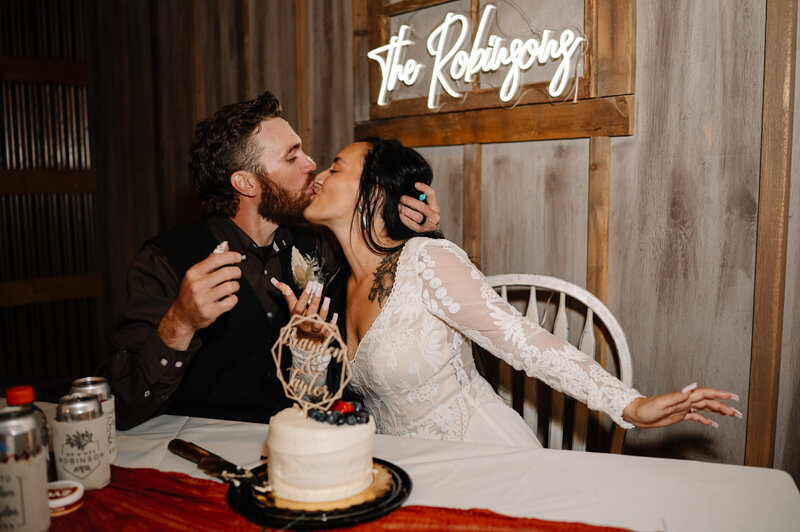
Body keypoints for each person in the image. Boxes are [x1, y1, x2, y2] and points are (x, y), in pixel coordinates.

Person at [272, 138, 742, 447]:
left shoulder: (427, 261)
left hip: (480, 454)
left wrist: (630, 405)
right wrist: (310, 353)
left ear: (375, 191)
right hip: (403, 472)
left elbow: (526, 342)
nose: (318, 176)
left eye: (335, 168)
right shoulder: (328, 285)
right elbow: (318, 405)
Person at [100, 92, 441, 430]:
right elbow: (121, 407)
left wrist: (417, 231)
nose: (311, 164)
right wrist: (180, 322)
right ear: (246, 182)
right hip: (202, 460)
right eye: (292, 157)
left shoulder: (320, 246)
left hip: (305, 450)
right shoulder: (166, 260)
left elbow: (392, 296)